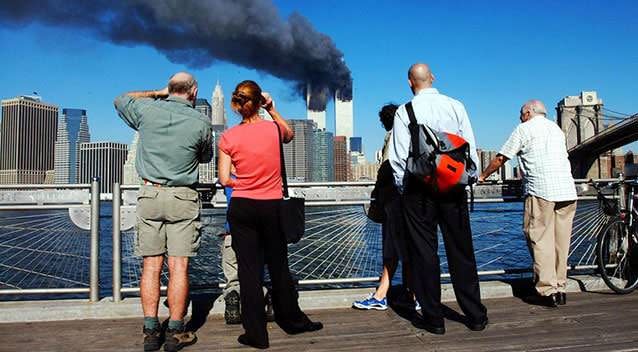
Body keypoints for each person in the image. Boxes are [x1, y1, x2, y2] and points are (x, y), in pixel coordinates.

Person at [218, 80, 322, 349]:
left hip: (242, 206)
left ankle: (256, 334)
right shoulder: (273, 129)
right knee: (279, 267)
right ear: (258, 102)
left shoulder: (228, 136)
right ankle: (293, 322)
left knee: (249, 273)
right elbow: (290, 135)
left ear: (237, 105)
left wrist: (242, 183)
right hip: (272, 206)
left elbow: (223, 178)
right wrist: (273, 108)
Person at [114, 72, 212, 352]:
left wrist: (156, 94)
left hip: (150, 194)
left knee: (151, 266)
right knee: (179, 266)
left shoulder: (147, 110)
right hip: (184, 196)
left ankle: (150, 331)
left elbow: (120, 99)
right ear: (193, 92)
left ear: (169, 89)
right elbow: (205, 156)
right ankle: (176, 332)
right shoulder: (201, 121)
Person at [388, 63, 488, 335]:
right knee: (461, 251)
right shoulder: (456, 106)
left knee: (424, 254)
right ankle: (475, 314)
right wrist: (470, 177)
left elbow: (397, 157)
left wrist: (403, 189)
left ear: (410, 82)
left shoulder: (404, 111)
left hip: (419, 191)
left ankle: (434, 318)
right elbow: (469, 144)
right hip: (454, 186)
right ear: (432, 78)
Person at [479, 99, 577, 307]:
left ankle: (546, 291)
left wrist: (483, 176)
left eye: (521, 114)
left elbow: (501, 158)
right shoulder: (557, 129)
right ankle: (560, 288)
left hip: (542, 190)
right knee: (561, 242)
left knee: (539, 239)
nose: (520, 117)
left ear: (529, 112)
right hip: (567, 191)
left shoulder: (524, 129)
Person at [353, 104, 415, 311]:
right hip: (410, 200)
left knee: (393, 248)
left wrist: (379, 194)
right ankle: (410, 294)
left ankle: (384, 295)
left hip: (394, 200)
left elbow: (389, 167)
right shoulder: (410, 132)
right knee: (406, 248)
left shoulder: (394, 135)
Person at [219, 173, 274, 325]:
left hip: (233, 233)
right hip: (258, 234)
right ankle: (262, 298)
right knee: (256, 274)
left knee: (232, 274)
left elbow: (223, 179)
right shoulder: (262, 177)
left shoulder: (229, 178)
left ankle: (234, 294)